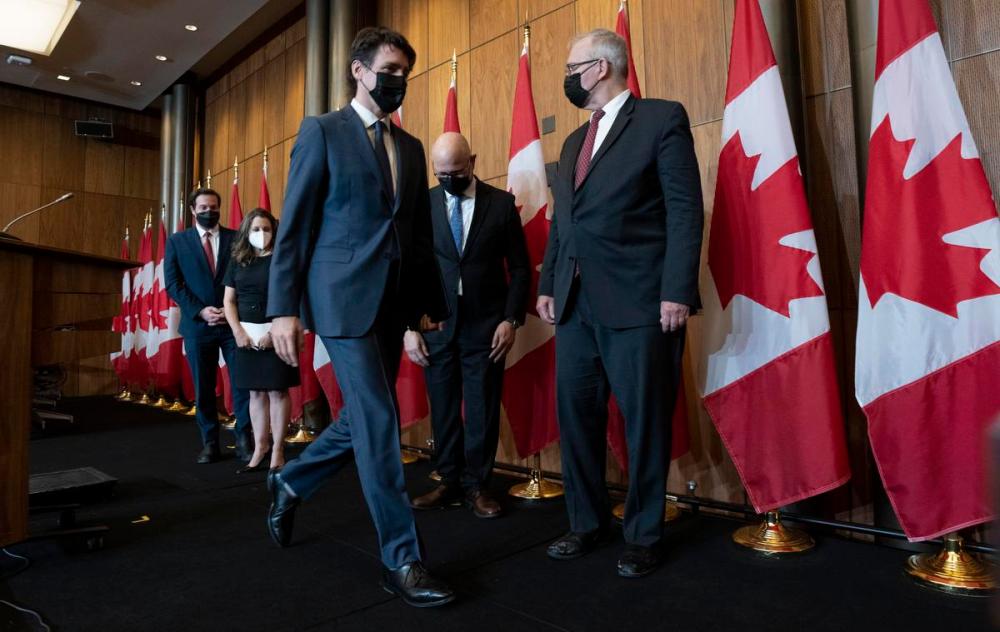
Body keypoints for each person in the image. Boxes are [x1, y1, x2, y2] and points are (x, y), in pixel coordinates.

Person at [264, 27, 454, 607]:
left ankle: (291, 479)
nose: (398, 81)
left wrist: (428, 305)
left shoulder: (411, 147)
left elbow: (416, 235)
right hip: (340, 302)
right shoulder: (322, 131)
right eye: (389, 70)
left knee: (364, 419)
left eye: (405, 73)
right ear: (358, 70)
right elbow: (295, 226)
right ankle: (403, 559)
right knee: (377, 421)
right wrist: (282, 308)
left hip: (394, 303)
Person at [537, 29, 703, 578]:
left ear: (601, 67)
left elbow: (684, 210)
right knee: (577, 419)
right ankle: (586, 523)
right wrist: (548, 283)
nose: (566, 77)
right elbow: (564, 220)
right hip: (575, 305)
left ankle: (643, 534)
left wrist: (676, 290)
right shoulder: (572, 142)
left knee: (645, 422)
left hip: (640, 302)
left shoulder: (660, 119)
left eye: (571, 67)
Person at [408, 132, 529, 519]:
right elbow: (409, 268)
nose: (449, 180)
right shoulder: (422, 204)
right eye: (441, 174)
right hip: (436, 326)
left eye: (456, 172)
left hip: (486, 327)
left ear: (472, 162)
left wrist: (511, 319)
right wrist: (409, 327)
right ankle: (447, 481)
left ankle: (478, 486)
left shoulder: (501, 204)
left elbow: (521, 268)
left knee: (481, 410)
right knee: (443, 410)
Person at [164, 188, 253, 465]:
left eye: (213, 207)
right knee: (203, 388)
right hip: (198, 326)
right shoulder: (177, 242)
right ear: (193, 210)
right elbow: (173, 284)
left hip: (233, 324)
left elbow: (246, 276)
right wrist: (201, 311)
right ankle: (210, 443)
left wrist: (230, 309)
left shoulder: (236, 238)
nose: (208, 211)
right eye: (203, 207)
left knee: (242, 384)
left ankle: (244, 440)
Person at [222, 209, 299, 474]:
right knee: (255, 393)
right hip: (246, 336)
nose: (261, 234)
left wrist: (274, 332)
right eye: (255, 229)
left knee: (277, 392)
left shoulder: (283, 260)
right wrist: (237, 332)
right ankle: (260, 448)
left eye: (266, 228)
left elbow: (293, 296)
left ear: (274, 231)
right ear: (247, 231)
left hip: (277, 335)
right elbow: (228, 301)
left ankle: (278, 450)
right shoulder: (238, 260)